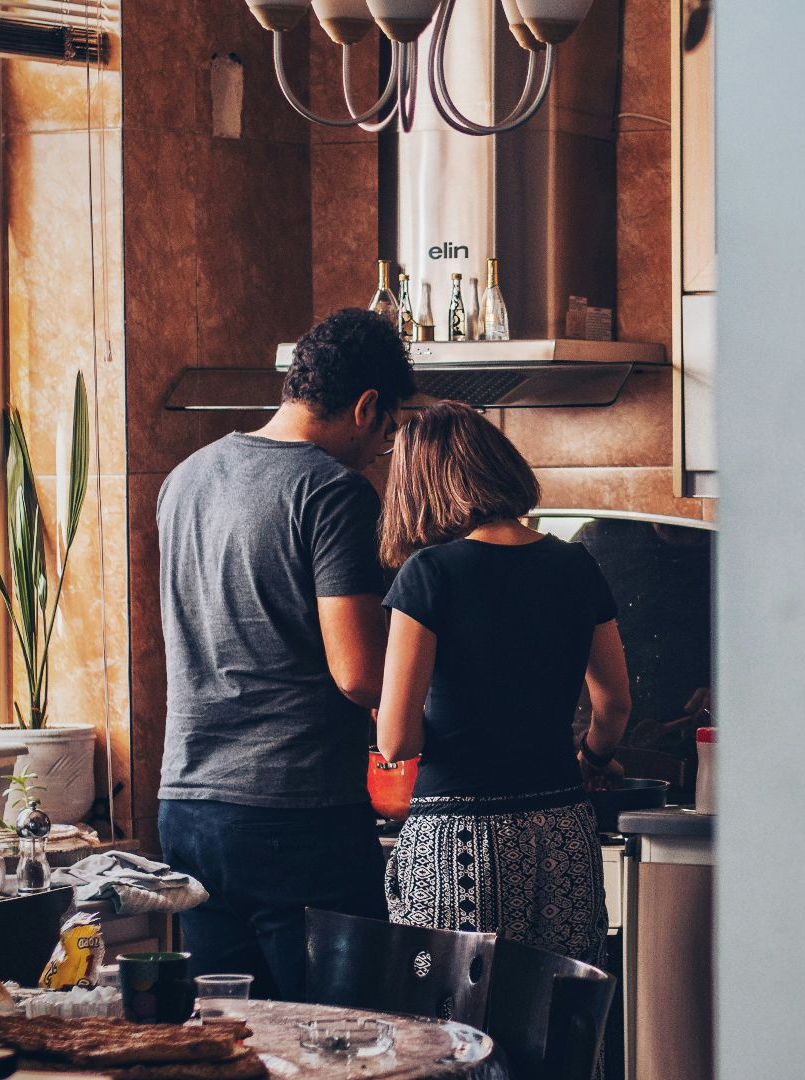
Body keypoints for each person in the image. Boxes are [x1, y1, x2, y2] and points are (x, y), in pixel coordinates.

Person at [155, 309, 412, 1000]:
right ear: (366, 407)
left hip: (188, 807)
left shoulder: (185, 479)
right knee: (346, 1042)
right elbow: (359, 675)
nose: (378, 451)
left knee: (235, 1042)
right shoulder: (333, 491)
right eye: (387, 434)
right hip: (293, 814)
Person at [375, 402, 631, 964]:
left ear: (420, 486)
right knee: (558, 1019)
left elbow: (396, 742)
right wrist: (591, 758)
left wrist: (395, 716)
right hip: (562, 827)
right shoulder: (575, 564)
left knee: (450, 1033)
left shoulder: (430, 573)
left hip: (458, 839)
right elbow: (613, 703)